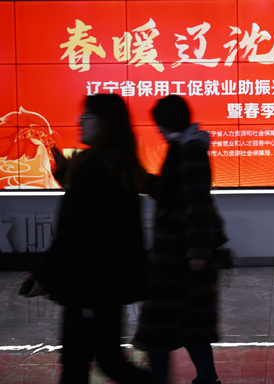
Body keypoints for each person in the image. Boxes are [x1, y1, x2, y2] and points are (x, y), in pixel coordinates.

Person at [23, 93, 153, 383]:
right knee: (105, 362)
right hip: (106, 283)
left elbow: (76, 233)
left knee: (83, 365)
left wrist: (46, 274)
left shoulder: (96, 168)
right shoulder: (117, 163)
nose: (81, 122)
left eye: (88, 116)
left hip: (89, 285)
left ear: (105, 122)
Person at [133, 95, 226, 384]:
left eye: (159, 123)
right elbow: (173, 192)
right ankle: (207, 378)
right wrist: (143, 180)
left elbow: (197, 202)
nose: (157, 129)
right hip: (178, 256)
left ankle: (177, 379)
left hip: (178, 257)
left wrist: (197, 252)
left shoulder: (189, 149)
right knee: (190, 327)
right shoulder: (183, 147)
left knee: (160, 329)